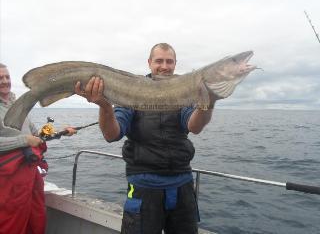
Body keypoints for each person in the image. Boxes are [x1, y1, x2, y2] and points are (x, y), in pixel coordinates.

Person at [75, 43, 215, 234]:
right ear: (149, 63)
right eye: (159, 61)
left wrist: (209, 102)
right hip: (143, 187)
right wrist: (105, 106)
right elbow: (111, 134)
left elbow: (195, 126)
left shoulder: (186, 92)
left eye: (169, 61)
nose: (164, 66)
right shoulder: (131, 90)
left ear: (175, 64)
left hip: (182, 185)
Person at [0, 63, 76, 234]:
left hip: (29, 173)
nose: (5, 81)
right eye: (0, 78)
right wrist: (24, 140)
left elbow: (37, 134)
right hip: (7, 180)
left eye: (7, 77)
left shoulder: (16, 104)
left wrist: (60, 132)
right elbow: (27, 138)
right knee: (10, 224)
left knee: (35, 217)